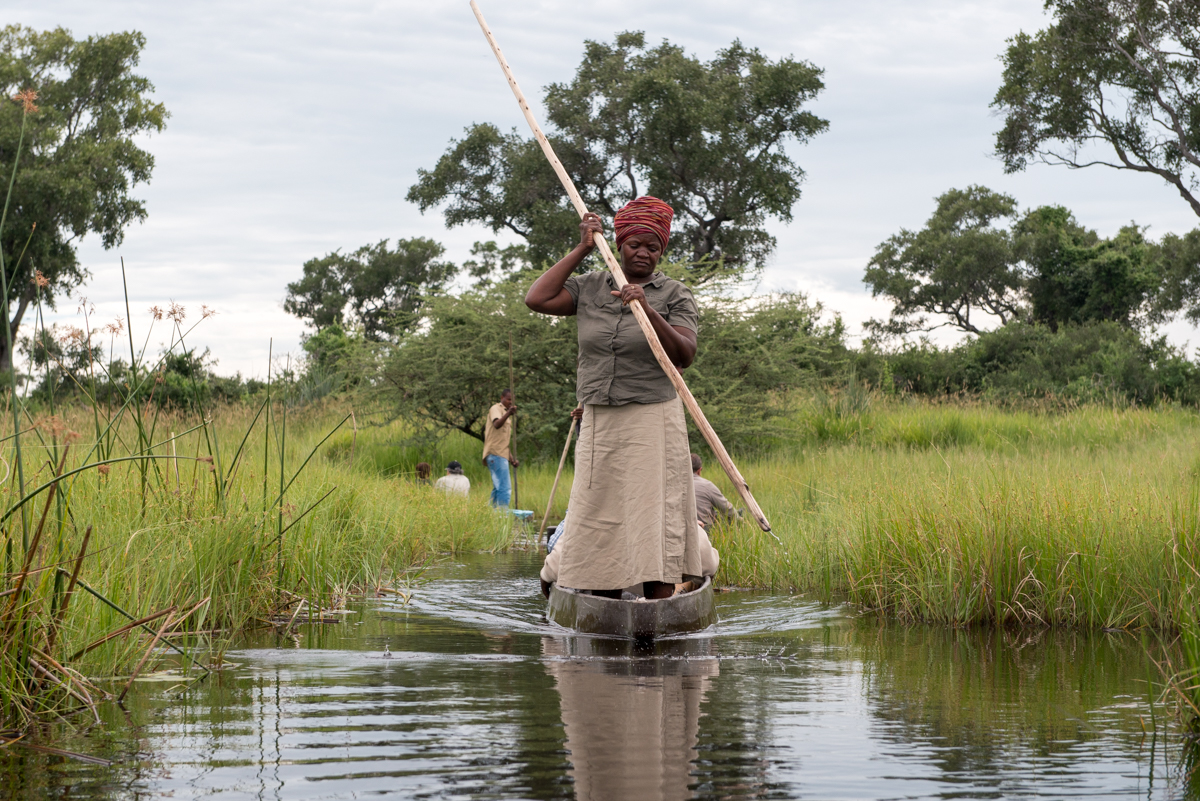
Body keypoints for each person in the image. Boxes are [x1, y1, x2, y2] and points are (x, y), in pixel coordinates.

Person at [526, 195, 703, 600]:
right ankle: (597, 592)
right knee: (596, 507)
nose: (643, 253)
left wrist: (648, 308)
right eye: (635, 245)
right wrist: (584, 247)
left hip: (652, 416)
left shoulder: (674, 293)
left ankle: (658, 596)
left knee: (650, 509)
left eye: (652, 247)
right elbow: (536, 299)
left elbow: (685, 355)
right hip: (599, 417)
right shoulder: (590, 286)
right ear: (619, 245)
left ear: (662, 252)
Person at [482, 389, 520, 507]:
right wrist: (509, 413)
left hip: (501, 454)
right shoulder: (496, 409)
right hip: (495, 454)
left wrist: (512, 459)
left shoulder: (505, 413)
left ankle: (490, 515)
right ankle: (502, 516)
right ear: (502, 397)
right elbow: (497, 424)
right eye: (508, 399)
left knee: (498, 488)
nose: (510, 402)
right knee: (505, 488)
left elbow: (502, 442)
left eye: (512, 400)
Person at [690, 453, 736, 528]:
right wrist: (740, 520)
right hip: (703, 530)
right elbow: (727, 509)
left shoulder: (672, 485)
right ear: (699, 470)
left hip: (678, 529)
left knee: (716, 515)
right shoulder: (707, 485)